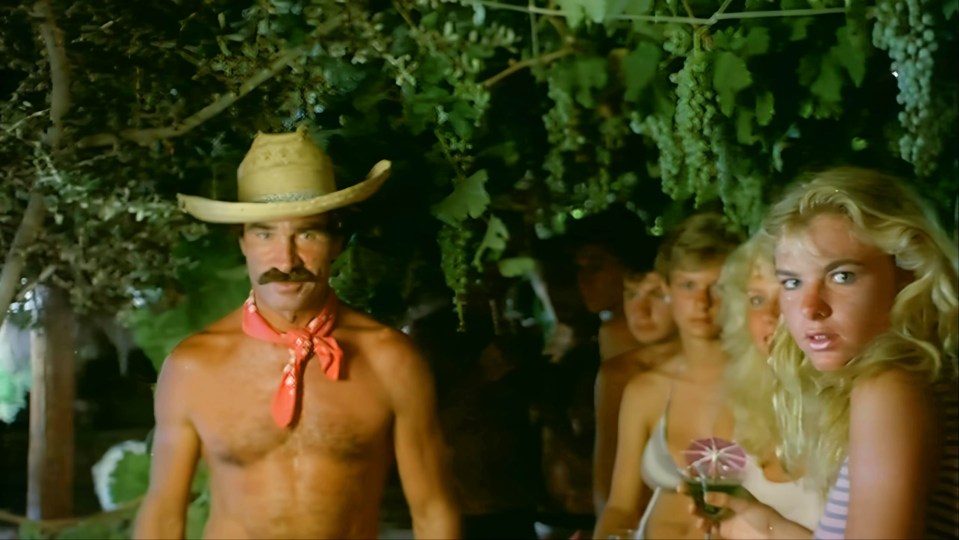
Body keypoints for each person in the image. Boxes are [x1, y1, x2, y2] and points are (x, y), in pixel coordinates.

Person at [134, 127, 460, 539]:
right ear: (242, 242)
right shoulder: (192, 367)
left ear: (337, 241)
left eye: (307, 233)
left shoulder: (391, 360)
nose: (285, 259)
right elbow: (163, 513)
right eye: (265, 233)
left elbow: (433, 511)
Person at [690, 167, 958, 539]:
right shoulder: (918, 378)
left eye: (841, 276)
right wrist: (766, 524)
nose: (809, 307)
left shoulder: (890, 388)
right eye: (792, 282)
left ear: (906, 275)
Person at [593, 212, 742, 539]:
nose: (701, 302)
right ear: (668, 288)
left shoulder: (765, 384)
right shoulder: (645, 390)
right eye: (688, 285)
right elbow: (619, 506)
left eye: (717, 287)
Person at [709, 234, 823, 529]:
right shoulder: (735, 402)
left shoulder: (863, 405)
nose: (770, 316)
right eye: (756, 300)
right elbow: (714, 516)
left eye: (787, 291)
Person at [593, 234, 680, 514]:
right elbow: (606, 482)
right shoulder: (620, 374)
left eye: (656, 294)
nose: (640, 310)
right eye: (631, 294)